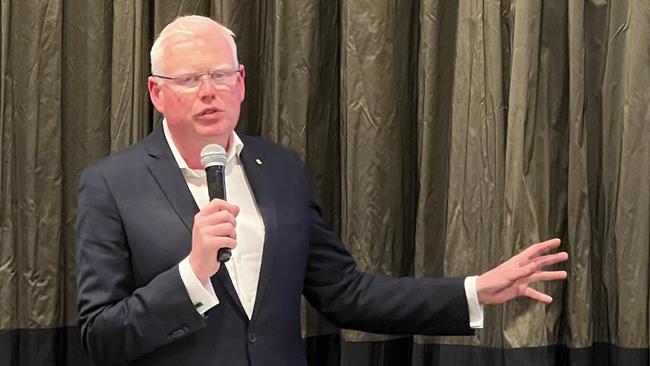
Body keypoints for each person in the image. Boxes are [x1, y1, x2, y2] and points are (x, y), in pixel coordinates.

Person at [75, 15, 568, 366]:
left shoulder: (281, 170)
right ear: (157, 93)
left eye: (221, 75)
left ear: (241, 83)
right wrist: (192, 274)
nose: (209, 90)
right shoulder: (111, 185)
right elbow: (101, 338)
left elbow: (345, 294)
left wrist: (473, 290)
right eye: (188, 79)